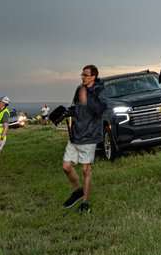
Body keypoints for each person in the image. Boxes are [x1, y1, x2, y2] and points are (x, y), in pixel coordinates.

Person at [61, 65, 106, 213]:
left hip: (90, 135)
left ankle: (85, 203)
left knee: (86, 170)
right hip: (76, 134)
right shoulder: (79, 89)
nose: (83, 77)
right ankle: (78, 191)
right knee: (66, 167)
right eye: (82, 74)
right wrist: (66, 113)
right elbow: (76, 107)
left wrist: (88, 98)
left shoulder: (100, 90)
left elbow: (100, 110)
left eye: (86, 75)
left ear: (93, 76)